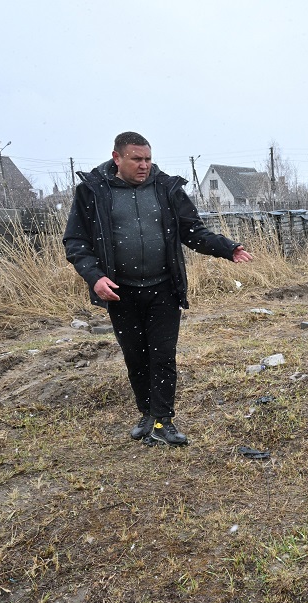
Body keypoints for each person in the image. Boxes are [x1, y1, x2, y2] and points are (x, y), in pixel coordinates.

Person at [64, 131, 253, 447]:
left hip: (163, 289)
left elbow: (192, 231)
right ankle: (147, 414)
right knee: (136, 357)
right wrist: (95, 277)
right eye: (136, 159)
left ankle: (164, 421)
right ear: (117, 158)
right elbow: (75, 241)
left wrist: (227, 248)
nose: (144, 165)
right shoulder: (93, 192)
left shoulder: (167, 188)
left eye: (148, 158)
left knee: (162, 355)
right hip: (119, 291)